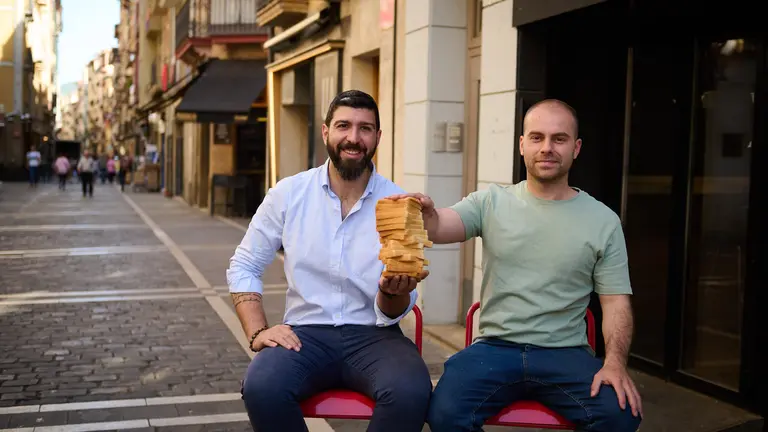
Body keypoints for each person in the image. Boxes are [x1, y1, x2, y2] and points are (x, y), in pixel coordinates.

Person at [392, 99, 643, 432]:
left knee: (621, 414)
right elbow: (439, 227)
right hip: (496, 349)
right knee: (444, 413)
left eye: (559, 139)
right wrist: (425, 214)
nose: (547, 148)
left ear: (576, 148)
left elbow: (616, 304)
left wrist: (614, 363)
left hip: (565, 353)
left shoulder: (603, 221)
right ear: (522, 144)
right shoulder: (491, 202)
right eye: (537, 138)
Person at [227, 90, 432, 432]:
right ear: (326, 132)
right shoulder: (289, 194)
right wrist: (258, 331)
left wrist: (391, 292)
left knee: (411, 391)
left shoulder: (399, 203)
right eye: (343, 126)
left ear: (378, 137)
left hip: (376, 336)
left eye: (365, 128)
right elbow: (244, 264)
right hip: (304, 335)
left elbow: (399, 303)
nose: (354, 138)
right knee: (262, 388)